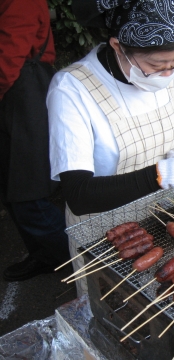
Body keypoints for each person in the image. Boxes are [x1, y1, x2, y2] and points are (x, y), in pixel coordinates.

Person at [48, 0, 174, 295]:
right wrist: (164, 174)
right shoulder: (71, 89)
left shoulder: (166, 72)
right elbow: (78, 194)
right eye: (157, 66)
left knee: (167, 298)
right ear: (118, 46)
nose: (168, 74)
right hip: (105, 235)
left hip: (165, 222)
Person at [0, 0, 70, 281]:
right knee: (11, 188)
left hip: (23, 96)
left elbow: (8, 59)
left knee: (27, 194)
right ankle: (45, 256)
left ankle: (85, 263)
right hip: (13, 99)